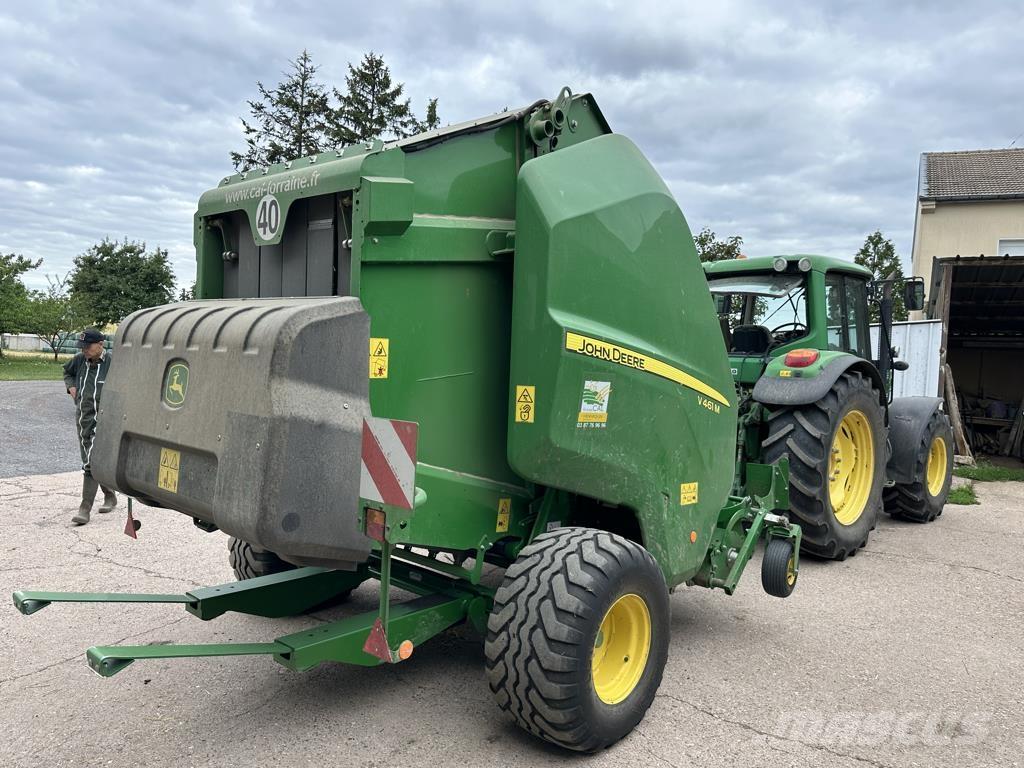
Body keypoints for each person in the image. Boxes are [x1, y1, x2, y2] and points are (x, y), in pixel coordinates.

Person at [63, 328, 116, 525]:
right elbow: (67, 371)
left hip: (103, 422)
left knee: (90, 463)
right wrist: (71, 386)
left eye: (88, 346)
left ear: (101, 345)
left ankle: (84, 509)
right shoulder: (79, 360)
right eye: (82, 346)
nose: (84, 350)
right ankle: (110, 495)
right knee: (89, 460)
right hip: (82, 419)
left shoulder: (112, 363)